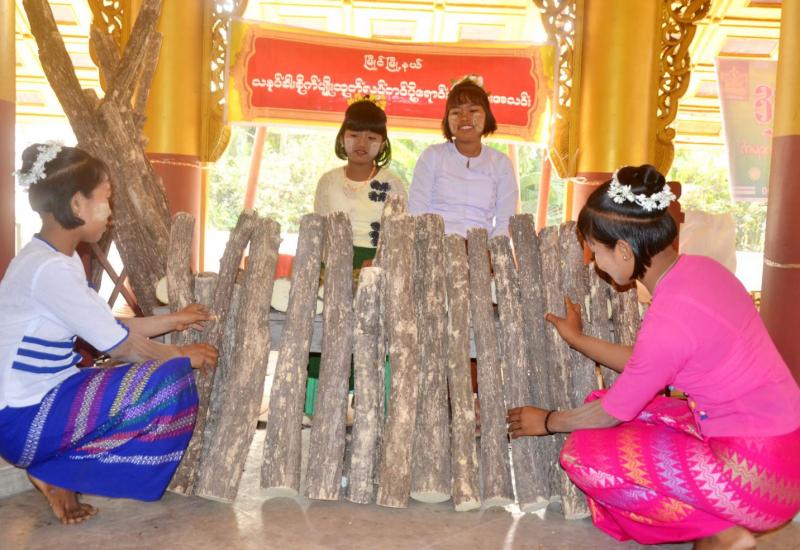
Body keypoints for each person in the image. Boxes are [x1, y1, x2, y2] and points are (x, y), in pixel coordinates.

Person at [507, 164, 800, 550]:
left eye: (596, 251)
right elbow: (647, 363)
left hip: (756, 478)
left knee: (582, 455)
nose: (595, 264)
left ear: (624, 251)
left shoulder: (669, 319)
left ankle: (719, 530)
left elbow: (613, 411)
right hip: (787, 454)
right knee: (611, 407)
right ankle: (723, 521)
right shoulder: (703, 271)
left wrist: (548, 421)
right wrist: (577, 339)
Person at [0, 143, 219, 525]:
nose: (110, 211)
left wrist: (174, 320)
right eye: (105, 198)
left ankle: (57, 470)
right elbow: (124, 346)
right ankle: (57, 472)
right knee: (170, 384)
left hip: (39, 404)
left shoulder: (54, 258)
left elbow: (108, 326)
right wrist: (183, 354)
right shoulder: (50, 271)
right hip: (22, 419)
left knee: (161, 376)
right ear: (76, 204)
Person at [309, 96, 406, 417]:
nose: (362, 143)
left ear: (383, 143)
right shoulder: (328, 181)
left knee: (374, 334)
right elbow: (320, 229)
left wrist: (378, 261)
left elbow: (398, 232)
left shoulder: (392, 183)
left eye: (372, 137)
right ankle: (320, 404)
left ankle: (372, 405)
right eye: (354, 135)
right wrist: (329, 267)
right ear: (342, 137)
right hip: (333, 265)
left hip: (377, 267)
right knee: (328, 330)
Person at [408, 76, 519, 238]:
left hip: (481, 248)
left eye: (473, 111)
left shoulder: (501, 163)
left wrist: (488, 251)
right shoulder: (432, 156)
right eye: (456, 112)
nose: (464, 118)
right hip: (433, 245)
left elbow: (505, 221)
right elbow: (416, 209)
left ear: (487, 116)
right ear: (447, 119)